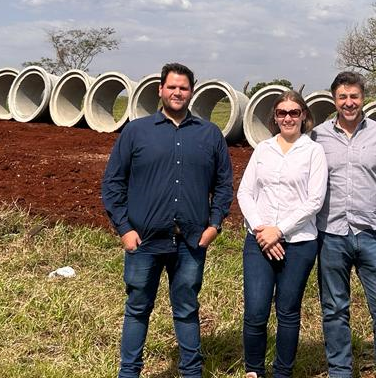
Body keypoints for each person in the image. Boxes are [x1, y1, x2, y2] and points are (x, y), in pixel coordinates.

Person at [101, 62, 233, 378]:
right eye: (171, 87)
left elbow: (224, 184)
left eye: (183, 88)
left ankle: (191, 372)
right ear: (160, 90)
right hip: (143, 240)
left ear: (191, 92)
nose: (177, 92)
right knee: (137, 309)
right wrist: (124, 228)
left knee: (187, 310)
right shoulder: (136, 131)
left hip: (190, 241)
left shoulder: (209, 134)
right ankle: (129, 373)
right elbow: (113, 182)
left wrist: (214, 225)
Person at [314, 71, 376, 378]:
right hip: (330, 236)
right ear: (334, 100)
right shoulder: (317, 136)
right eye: (342, 97)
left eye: (354, 96)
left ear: (362, 98)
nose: (348, 102)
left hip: (372, 236)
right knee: (334, 310)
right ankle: (340, 370)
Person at [236, 90, 327, 378]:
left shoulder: (314, 151)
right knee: (255, 311)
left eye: (294, 112)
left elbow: (315, 200)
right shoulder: (263, 149)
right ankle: (254, 370)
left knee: (288, 311)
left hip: (298, 243)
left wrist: (280, 230)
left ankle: (282, 372)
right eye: (282, 113)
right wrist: (263, 231)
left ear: (304, 117)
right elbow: (245, 192)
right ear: (275, 118)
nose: (288, 118)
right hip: (258, 241)